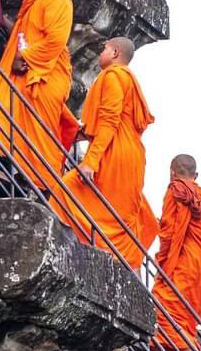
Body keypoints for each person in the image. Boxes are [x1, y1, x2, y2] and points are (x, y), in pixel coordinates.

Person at [52, 38, 158, 268]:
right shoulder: (127, 79)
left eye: (104, 48)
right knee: (119, 219)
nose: (101, 52)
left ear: (115, 52)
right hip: (129, 153)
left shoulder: (114, 76)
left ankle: (85, 260)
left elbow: (110, 120)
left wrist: (90, 161)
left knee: (65, 191)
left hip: (114, 152)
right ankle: (117, 269)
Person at [0, 0, 76, 186]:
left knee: (41, 133)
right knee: (8, 121)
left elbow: (55, 40)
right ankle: (19, 177)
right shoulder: (31, 0)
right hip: (25, 75)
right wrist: (2, 20)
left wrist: (24, 58)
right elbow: (24, 35)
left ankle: (44, 187)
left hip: (44, 78)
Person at [152, 155, 201, 351]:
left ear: (172, 173)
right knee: (182, 319)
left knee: (164, 313)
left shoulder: (175, 190)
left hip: (186, 265)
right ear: (196, 175)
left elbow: (169, 232)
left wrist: (163, 264)